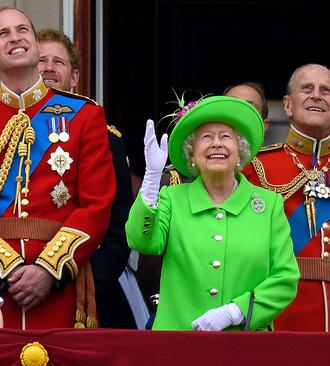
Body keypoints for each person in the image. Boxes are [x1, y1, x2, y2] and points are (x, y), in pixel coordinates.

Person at [0, 7, 115, 330]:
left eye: (23, 30)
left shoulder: (85, 115)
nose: (15, 37)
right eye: (3, 33)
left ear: (34, 42)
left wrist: (49, 269)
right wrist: (3, 267)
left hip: (60, 287)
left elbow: (97, 206)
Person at [127, 95, 299, 330]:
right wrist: (151, 182)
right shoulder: (172, 198)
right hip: (178, 343)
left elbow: (285, 279)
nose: (216, 143)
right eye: (206, 137)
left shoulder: (269, 206)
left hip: (246, 345)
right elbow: (142, 241)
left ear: (240, 152)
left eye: (226, 137)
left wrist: (236, 311)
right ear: (192, 154)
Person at [37, 28, 143, 328]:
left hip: (88, 291)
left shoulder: (106, 140)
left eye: (58, 62)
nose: (48, 68)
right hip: (18, 286)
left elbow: (117, 232)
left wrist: (77, 284)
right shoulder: (6, 134)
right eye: (40, 60)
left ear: (75, 77)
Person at [243, 63, 330, 331]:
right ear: (288, 105)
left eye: (326, 90)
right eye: (307, 88)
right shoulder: (254, 167)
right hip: (280, 311)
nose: (316, 95)